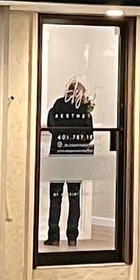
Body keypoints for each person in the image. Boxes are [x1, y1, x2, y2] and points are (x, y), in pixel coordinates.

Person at [44, 78, 95, 246]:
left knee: (55, 196)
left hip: (58, 156)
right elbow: (89, 135)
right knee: (74, 197)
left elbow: (51, 126)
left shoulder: (58, 105)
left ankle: (53, 236)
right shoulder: (84, 110)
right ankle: (72, 237)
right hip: (76, 158)